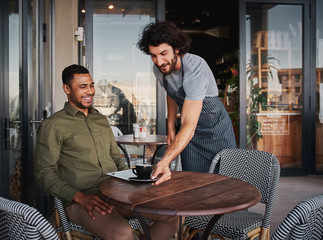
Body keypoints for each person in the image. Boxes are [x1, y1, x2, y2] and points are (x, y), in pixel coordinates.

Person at [34, 64, 179, 240]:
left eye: (91, 85)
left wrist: (133, 182)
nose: (90, 91)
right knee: (123, 233)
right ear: (67, 89)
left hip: (116, 194)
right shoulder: (53, 125)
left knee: (173, 217)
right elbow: (43, 174)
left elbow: (116, 158)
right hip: (83, 200)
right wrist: (79, 196)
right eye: (82, 86)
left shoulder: (101, 120)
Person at [137, 21, 237, 185]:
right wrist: (170, 126)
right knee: (193, 182)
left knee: (224, 184)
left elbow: (189, 125)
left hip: (216, 131)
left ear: (177, 48)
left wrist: (166, 160)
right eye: (153, 55)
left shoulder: (194, 68)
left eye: (163, 53)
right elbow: (171, 93)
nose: (159, 61)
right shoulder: (160, 70)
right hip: (191, 132)